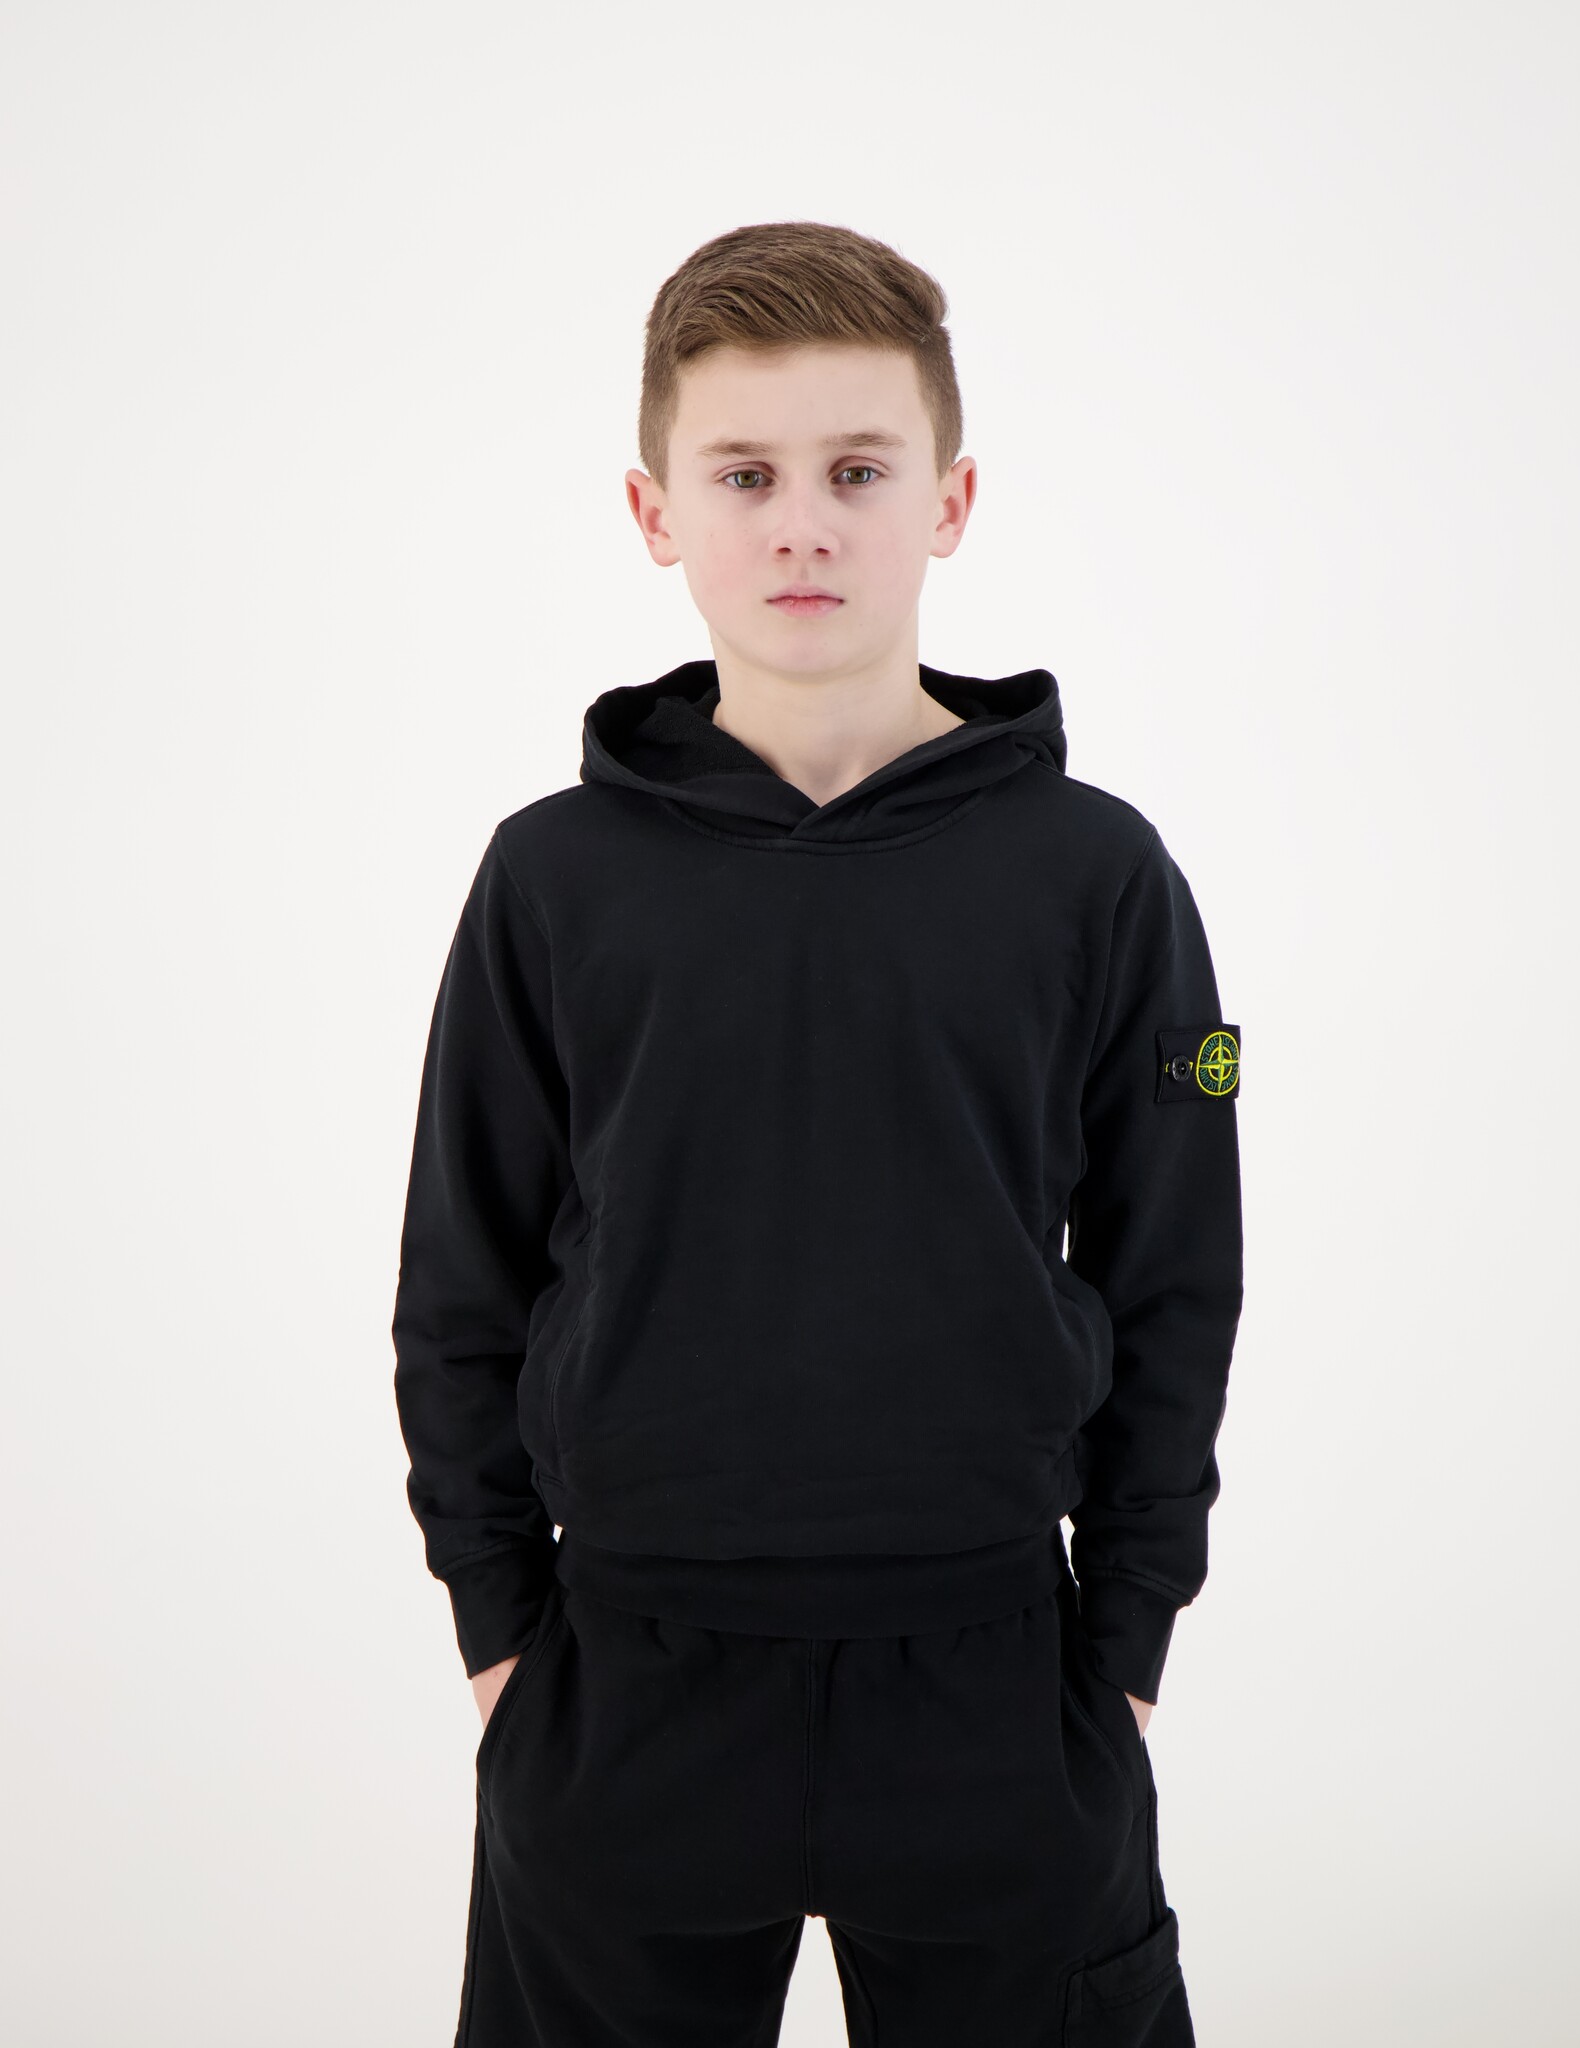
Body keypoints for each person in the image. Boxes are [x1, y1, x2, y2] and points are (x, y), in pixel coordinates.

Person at [391, 218, 1244, 2048]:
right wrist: (501, 1637)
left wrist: (1126, 1649)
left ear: (948, 501)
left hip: (998, 1680)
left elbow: (1178, 1273)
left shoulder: (1101, 875)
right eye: (744, 476)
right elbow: (459, 1281)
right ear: (654, 511)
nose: (801, 526)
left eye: (857, 471)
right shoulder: (549, 878)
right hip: (622, 1682)